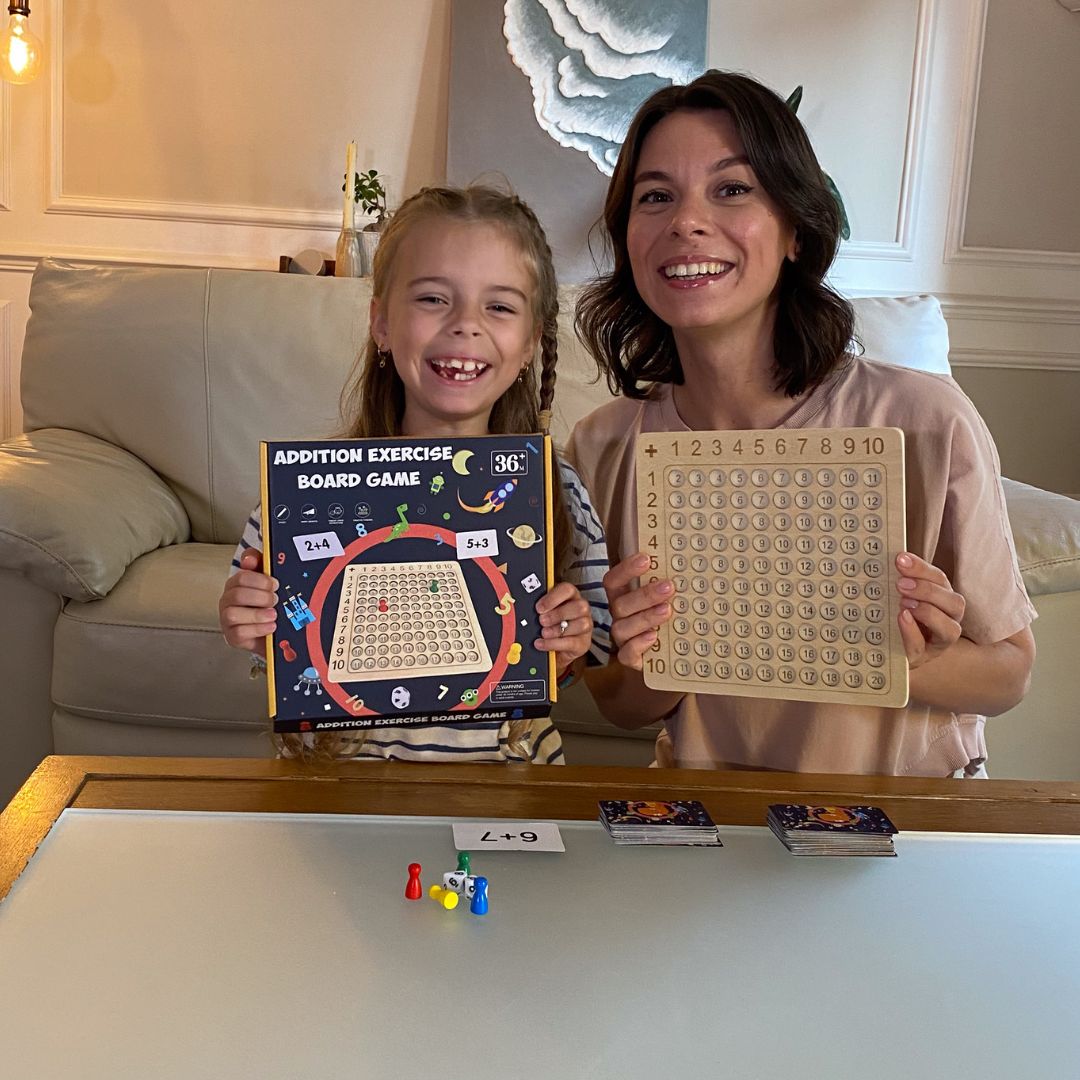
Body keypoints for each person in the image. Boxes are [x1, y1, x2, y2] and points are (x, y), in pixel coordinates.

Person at [568, 71, 1035, 777]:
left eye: (731, 189)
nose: (686, 222)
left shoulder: (927, 423)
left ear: (793, 229)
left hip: (901, 830)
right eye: (655, 196)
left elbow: (1009, 675)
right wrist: (637, 652)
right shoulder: (603, 446)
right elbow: (625, 706)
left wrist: (917, 656)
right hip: (710, 822)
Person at [220, 184, 609, 764]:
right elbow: (274, 639)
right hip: (340, 791)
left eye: (499, 306)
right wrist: (251, 623)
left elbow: (585, 654)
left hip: (507, 795)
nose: (465, 326)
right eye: (432, 299)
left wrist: (569, 642)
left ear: (530, 342)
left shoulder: (560, 493)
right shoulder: (297, 497)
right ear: (381, 322)